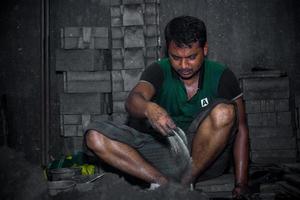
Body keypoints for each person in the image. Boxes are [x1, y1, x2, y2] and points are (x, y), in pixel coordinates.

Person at [84, 15, 249, 198]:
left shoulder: (222, 75)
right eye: (175, 57)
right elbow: (133, 100)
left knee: (224, 112)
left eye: (191, 57)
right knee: (94, 137)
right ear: (167, 51)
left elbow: (241, 129)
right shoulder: (159, 70)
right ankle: (163, 183)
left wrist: (241, 183)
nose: (184, 65)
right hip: (167, 154)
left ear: (205, 49)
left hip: (208, 160)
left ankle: (187, 181)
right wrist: (148, 108)